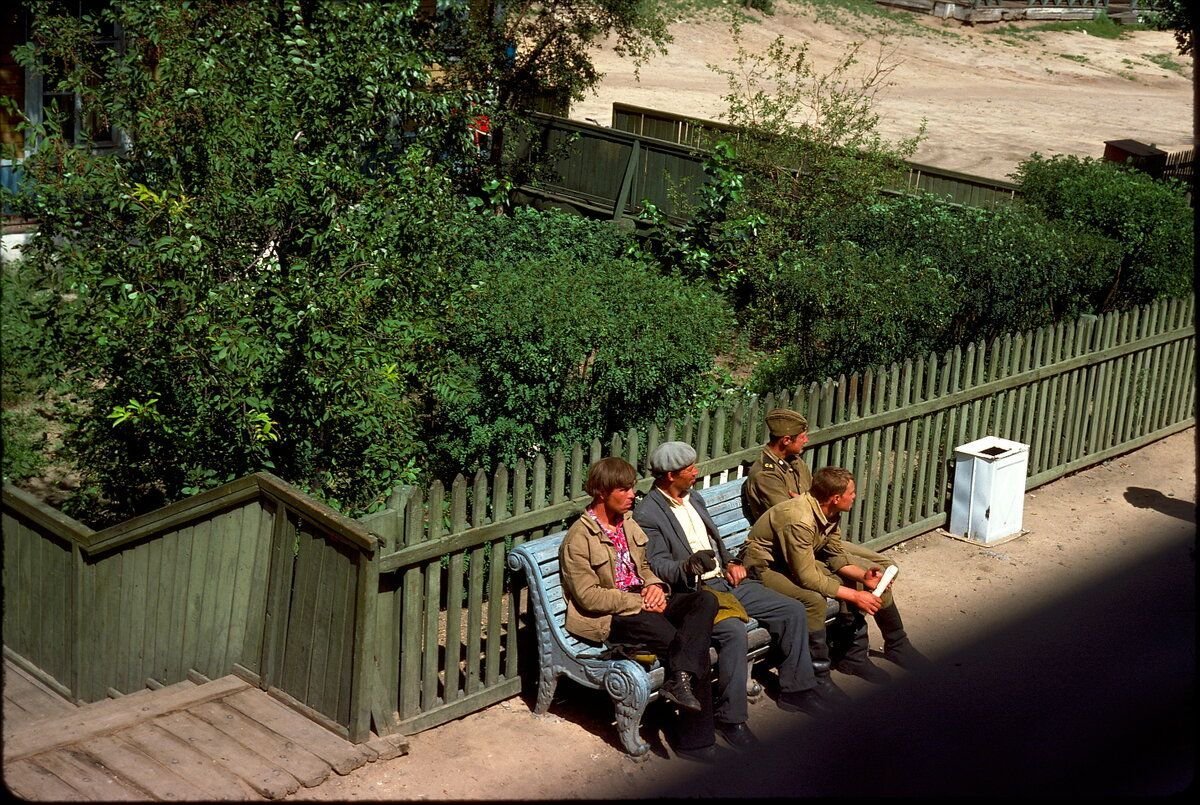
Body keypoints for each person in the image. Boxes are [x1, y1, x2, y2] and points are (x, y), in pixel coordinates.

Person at [634, 442, 840, 748]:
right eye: (689, 469)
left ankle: (796, 691)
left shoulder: (695, 498)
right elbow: (658, 563)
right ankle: (730, 718)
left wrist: (731, 562)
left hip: (726, 580)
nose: (696, 472)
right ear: (669, 475)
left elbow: (715, 543)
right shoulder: (649, 513)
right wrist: (687, 566)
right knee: (733, 633)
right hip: (696, 592)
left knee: (791, 610)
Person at [559, 457, 725, 763]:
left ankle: (679, 681)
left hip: (646, 602)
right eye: (624, 489)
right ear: (601, 492)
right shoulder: (579, 539)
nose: (632, 494)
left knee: (705, 601)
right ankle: (697, 741)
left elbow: (646, 567)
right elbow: (589, 598)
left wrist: (654, 587)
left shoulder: (628, 523)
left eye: (633, 487)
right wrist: (639, 601)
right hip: (616, 617)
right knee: (687, 643)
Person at [742, 409, 929, 678]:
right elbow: (797, 513)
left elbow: (812, 499)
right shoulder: (765, 474)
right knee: (847, 583)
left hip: (814, 537)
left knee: (882, 569)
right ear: (785, 439)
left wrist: (864, 574)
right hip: (791, 546)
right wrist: (855, 588)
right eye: (801, 436)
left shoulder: (796, 463)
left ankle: (895, 642)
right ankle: (851, 652)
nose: (806, 439)